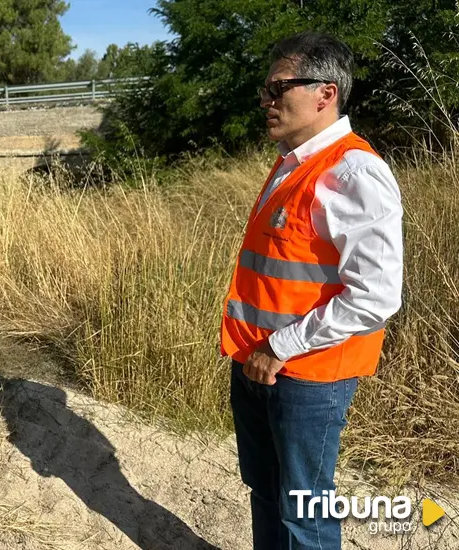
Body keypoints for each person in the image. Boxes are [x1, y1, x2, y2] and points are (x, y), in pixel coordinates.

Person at [220, 32, 403, 549]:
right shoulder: (292, 163)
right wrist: (260, 352)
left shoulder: (354, 171)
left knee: (304, 509)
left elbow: (377, 295)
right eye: (266, 89)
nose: (266, 101)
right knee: (266, 491)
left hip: (308, 374)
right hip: (256, 361)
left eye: (279, 88)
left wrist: (280, 348)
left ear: (326, 93)